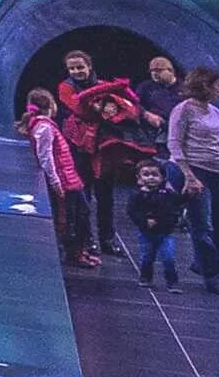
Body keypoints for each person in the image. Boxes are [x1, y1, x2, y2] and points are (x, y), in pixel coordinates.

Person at [58, 50, 143, 260]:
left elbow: (129, 106)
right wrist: (103, 107)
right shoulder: (65, 87)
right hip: (80, 146)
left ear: (89, 66)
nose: (77, 71)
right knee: (83, 196)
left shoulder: (104, 85)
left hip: (104, 147)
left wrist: (114, 107)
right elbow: (80, 110)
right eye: (72, 68)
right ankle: (87, 240)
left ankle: (107, 239)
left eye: (80, 67)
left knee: (106, 195)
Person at [167, 65, 219, 294]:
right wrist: (188, 176)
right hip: (194, 171)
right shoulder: (184, 110)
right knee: (202, 225)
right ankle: (213, 276)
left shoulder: (215, 112)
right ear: (205, 85)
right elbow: (174, 142)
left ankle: (202, 262)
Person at [24, 86, 95, 267]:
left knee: (82, 212)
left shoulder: (44, 125)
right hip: (64, 180)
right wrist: (55, 181)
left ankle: (81, 251)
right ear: (50, 105)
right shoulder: (44, 127)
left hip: (69, 177)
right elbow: (45, 156)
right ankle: (74, 254)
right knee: (71, 217)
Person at [127, 157, 189, 289]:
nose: (150, 178)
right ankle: (146, 277)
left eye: (155, 175)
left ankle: (172, 281)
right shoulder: (138, 195)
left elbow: (177, 202)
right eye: (146, 174)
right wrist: (143, 221)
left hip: (166, 232)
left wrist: (187, 194)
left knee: (168, 257)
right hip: (147, 232)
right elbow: (132, 211)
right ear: (139, 177)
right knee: (147, 257)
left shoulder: (167, 193)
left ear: (162, 178)